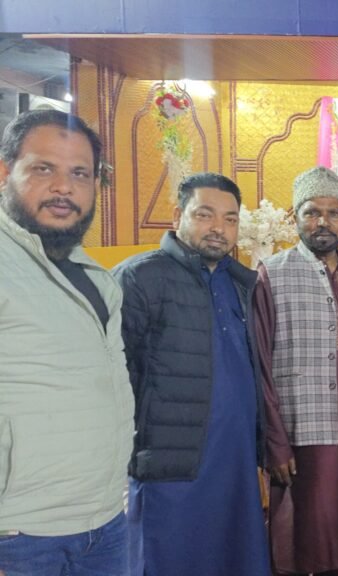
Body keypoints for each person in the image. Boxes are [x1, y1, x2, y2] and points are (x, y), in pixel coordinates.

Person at [114, 172, 270, 576]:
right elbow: (115, 377)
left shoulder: (240, 284)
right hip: (171, 465)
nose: (219, 228)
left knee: (232, 559)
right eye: (205, 214)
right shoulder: (139, 277)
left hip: (234, 462)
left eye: (230, 219)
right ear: (177, 215)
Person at [0, 110, 133, 575]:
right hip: (19, 535)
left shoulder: (93, 275)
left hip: (103, 521)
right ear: (5, 172)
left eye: (79, 173)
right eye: (43, 168)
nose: (63, 187)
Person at [255, 167, 338, 575]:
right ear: (295, 217)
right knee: (305, 532)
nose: (323, 222)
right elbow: (260, 366)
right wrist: (275, 443)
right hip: (302, 431)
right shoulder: (271, 273)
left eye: (334, 213)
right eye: (312, 212)